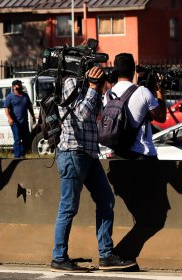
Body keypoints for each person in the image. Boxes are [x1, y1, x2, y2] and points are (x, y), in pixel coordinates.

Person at [50, 66, 136, 272]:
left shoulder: (91, 87)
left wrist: (98, 89)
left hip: (89, 153)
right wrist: (92, 87)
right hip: (73, 152)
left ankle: (106, 256)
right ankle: (59, 257)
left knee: (106, 200)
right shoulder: (69, 82)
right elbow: (81, 114)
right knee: (68, 207)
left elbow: (96, 116)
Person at [107, 53, 166, 159]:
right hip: (141, 154)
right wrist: (160, 93)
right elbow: (161, 117)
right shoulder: (142, 92)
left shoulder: (108, 94)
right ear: (133, 71)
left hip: (118, 155)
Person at [4, 79, 36, 158]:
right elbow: (6, 109)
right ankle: (17, 157)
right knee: (17, 139)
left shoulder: (25, 95)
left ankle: (23, 155)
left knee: (26, 139)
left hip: (24, 122)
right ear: (14, 87)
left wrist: (33, 116)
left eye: (21, 84)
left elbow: (29, 107)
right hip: (15, 123)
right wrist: (10, 118)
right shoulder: (10, 97)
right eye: (19, 85)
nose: (21, 86)